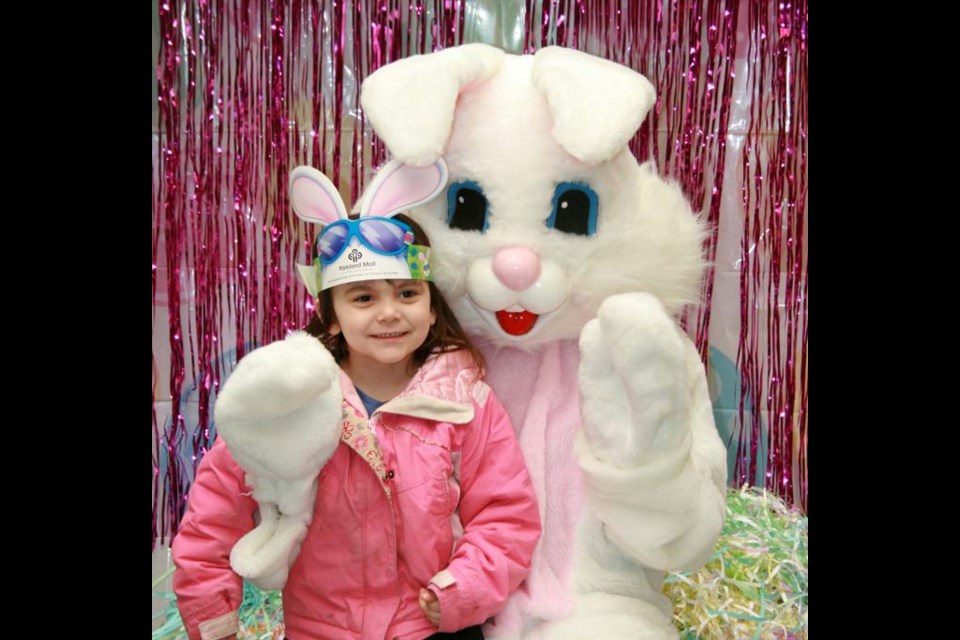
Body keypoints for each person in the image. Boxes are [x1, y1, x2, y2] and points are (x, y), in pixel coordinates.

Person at [171, 207, 542, 640]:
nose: (389, 313)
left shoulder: (465, 400)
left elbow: (506, 515)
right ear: (332, 316)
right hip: (320, 629)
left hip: (432, 626)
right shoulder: (287, 400)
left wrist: (463, 589)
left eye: (407, 294)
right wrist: (214, 622)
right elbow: (210, 520)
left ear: (433, 307)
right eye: (363, 298)